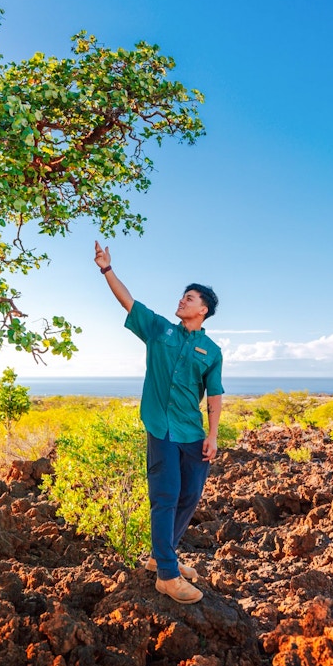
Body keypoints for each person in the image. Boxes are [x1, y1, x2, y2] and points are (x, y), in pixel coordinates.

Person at [94, 241, 224, 605]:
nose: (182, 300)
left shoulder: (212, 351)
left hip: (192, 432)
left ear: (204, 309)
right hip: (161, 428)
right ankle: (166, 574)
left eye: (191, 298)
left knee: (190, 496)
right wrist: (107, 269)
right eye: (183, 296)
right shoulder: (159, 330)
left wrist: (212, 435)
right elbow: (128, 301)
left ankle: (159, 554)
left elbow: (214, 395)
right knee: (165, 496)